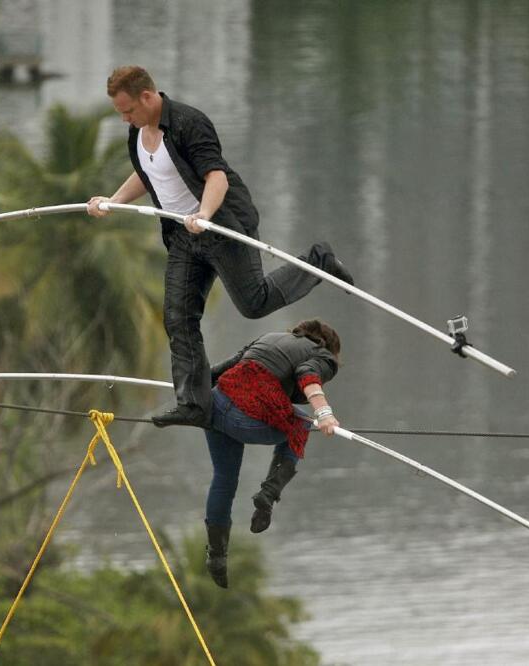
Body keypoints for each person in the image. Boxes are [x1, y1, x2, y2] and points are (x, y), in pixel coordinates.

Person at [87, 66, 354, 429]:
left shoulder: (188, 122)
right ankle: (194, 403)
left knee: (253, 302)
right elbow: (150, 174)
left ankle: (318, 262)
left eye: (128, 110)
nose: (125, 118)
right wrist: (113, 200)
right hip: (182, 236)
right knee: (178, 317)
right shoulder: (137, 133)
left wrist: (204, 213)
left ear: (147, 97)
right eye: (121, 113)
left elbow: (216, 176)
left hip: (222, 224)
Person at [199, 319, 342, 588]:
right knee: (301, 423)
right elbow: (309, 374)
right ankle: (268, 493)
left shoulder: (269, 338)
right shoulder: (322, 355)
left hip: (214, 409)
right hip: (243, 419)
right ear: (329, 346)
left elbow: (218, 372)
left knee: (224, 477)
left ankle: (216, 556)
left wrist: (188, 394)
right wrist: (323, 413)